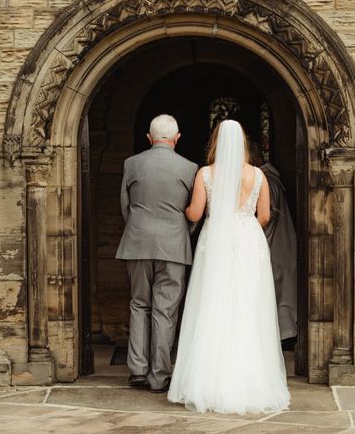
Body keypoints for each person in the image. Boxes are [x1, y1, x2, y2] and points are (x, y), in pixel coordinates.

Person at [168, 120, 290, 414]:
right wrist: (242, 223)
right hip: (249, 242)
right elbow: (263, 216)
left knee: (213, 304)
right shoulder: (258, 175)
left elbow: (195, 213)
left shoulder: (206, 173)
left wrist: (183, 210)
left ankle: (210, 380)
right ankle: (250, 379)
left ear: (216, 142)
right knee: (248, 307)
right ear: (244, 143)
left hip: (217, 239)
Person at [115, 114, 198, 393]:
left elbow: (124, 206)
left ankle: (137, 370)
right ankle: (159, 376)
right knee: (166, 310)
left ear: (149, 138)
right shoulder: (189, 167)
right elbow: (194, 213)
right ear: (177, 139)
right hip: (174, 246)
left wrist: (138, 229)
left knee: (139, 304)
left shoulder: (131, 163)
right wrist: (182, 231)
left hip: (137, 242)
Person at [249, 144, 298, 346]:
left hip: (276, 250)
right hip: (277, 248)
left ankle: (285, 336)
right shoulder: (266, 178)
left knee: (280, 297)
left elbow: (265, 216)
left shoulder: (267, 181)